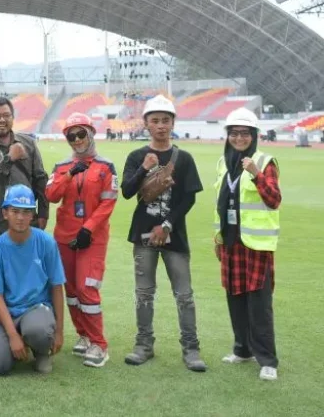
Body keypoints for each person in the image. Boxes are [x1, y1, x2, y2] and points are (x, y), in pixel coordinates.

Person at [120, 95, 206, 371]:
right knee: (144, 293)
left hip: (174, 237)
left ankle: (191, 349)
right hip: (143, 236)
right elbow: (127, 192)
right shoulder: (136, 156)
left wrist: (166, 224)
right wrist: (144, 167)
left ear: (173, 123)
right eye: (155, 120)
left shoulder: (184, 158)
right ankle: (144, 345)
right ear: (145, 124)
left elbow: (188, 199)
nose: (160, 126)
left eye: (165, 120)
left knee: (184, 295)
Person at [45, 113, 117, 369]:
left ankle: (100, 345)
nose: (76, 140)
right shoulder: (61, 166)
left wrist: (88, 229)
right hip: (64, 237)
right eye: (70, 135)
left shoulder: (106, 167)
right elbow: (51, 196)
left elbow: (108, 202)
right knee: (72, 291)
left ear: (91, 132)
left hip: (92, 238)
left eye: (80, 134)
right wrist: (68, 175)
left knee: (87, 288)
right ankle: (84, 336)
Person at [214, 108, 282, 381]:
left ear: (254, 136)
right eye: (234, 133)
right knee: (235, 298)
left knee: (259, 303)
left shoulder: (265, 162)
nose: (239, 138)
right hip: (232, 242)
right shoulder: (223, 162)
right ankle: (242, 350)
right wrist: (218, 237)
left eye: (244, 134)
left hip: (256, 243)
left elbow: (274, 198)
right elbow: (220, 203)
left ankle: (268, 360)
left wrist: (255, 173)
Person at [0, 95, 49, 317]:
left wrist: (42, 212)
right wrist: (9, 159)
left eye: (6, 115)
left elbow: (40, 179)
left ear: (13, 117)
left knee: (25, 273)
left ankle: (25, 321)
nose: (2, 120)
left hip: (26, 221)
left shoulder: (28, 143)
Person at [0, 185, 66, 376]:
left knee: (38, 330)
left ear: (32, 215)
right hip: (6, 313)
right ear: (5, 213)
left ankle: (41, 350)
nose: (20, 217)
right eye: (15, 211)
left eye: (26, 212)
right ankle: (17, 343)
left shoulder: (46, 242)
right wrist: (12, 336)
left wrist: (59, 332)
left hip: (36, 309)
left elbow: (57, 286)